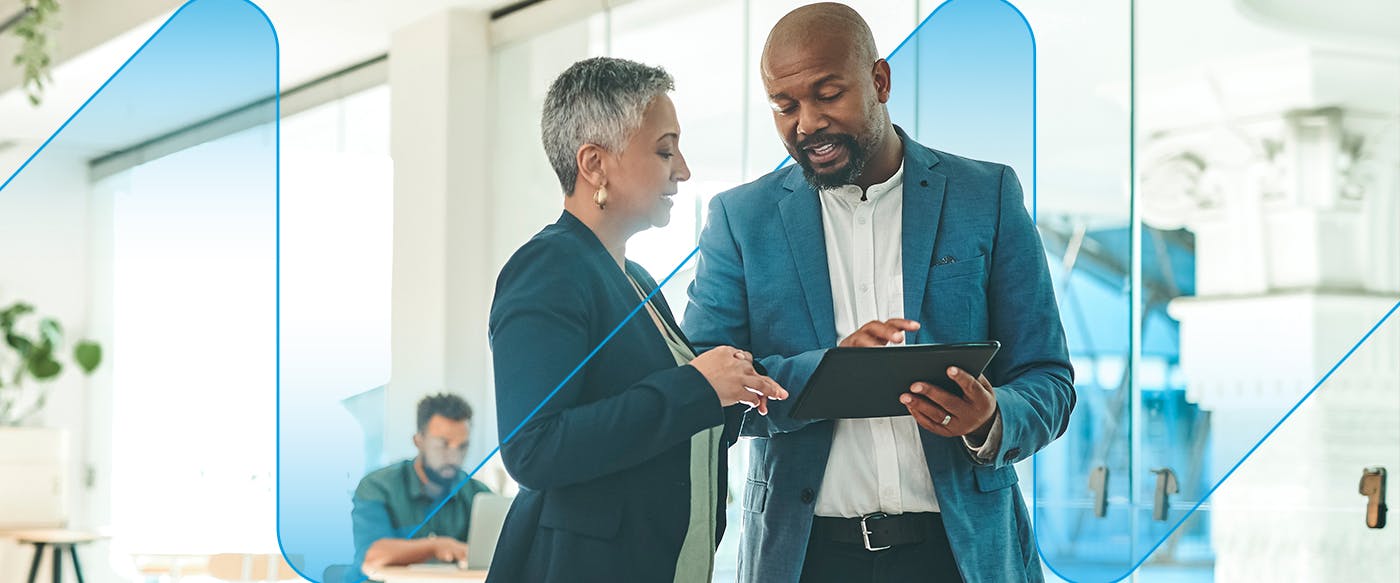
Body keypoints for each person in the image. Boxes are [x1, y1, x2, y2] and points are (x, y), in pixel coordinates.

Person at [682, 4, 1075, 582]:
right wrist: (828, 373)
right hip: (804, 558)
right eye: (785, 106)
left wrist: (989, 418)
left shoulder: (984, 194)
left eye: (828, 94)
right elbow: (705, 388)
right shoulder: (741, 219)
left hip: (962, 554)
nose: (807, 122)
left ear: (880, 81)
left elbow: (1049, 376)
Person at [486, 57, 787, 583]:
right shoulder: (548, 269)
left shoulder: (639, 280)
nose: (684, 170)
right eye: (664, 150)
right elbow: (532, 447)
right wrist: (696, 387)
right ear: (595, 165)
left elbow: (666, 423)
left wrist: (753, 385)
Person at [351, 393, 493, 576]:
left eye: (462, 446)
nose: (454, 456)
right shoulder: (377, 487)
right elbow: (372, 556)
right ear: (419, 441)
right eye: (443, 445)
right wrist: (436, 546)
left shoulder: (479, 495)